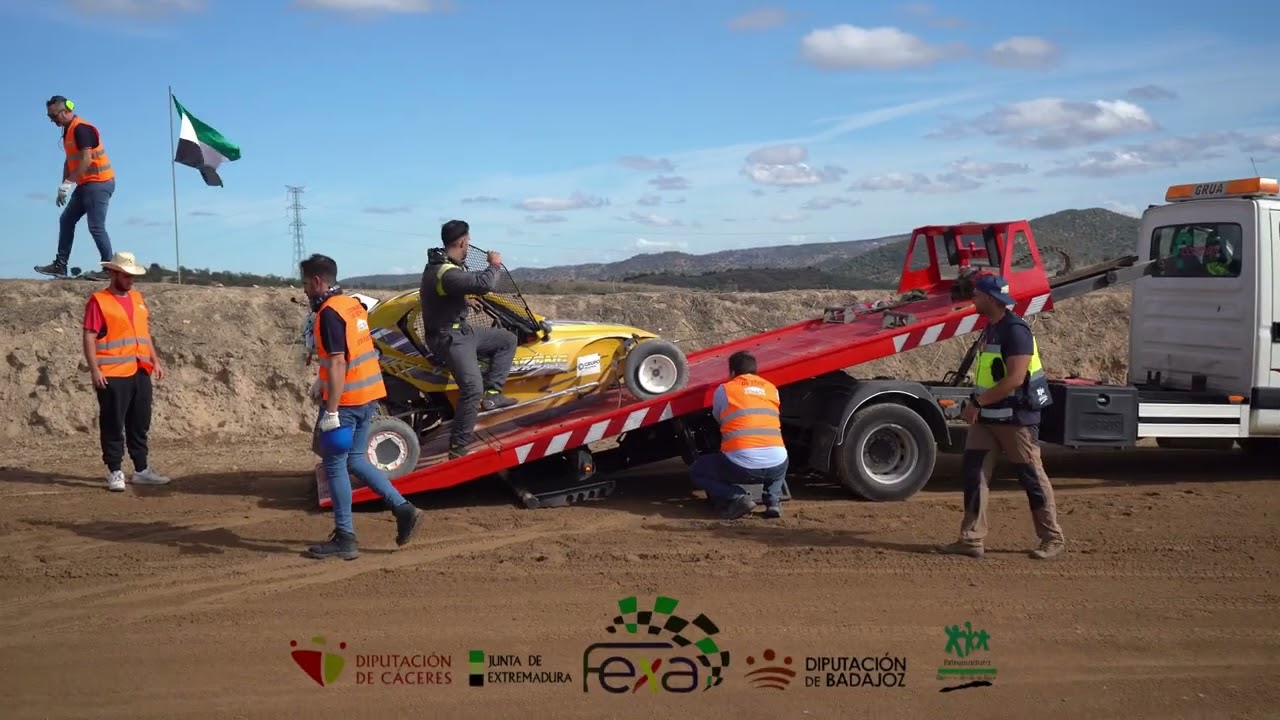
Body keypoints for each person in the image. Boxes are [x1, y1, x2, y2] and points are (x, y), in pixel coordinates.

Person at [937, 273, 1066, 560]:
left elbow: (1016, 378)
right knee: (973, 474)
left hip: (1016, 418)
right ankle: (971, 539)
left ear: (991, 299)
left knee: (1031, 476)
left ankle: (1052, 538)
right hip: (988, 417)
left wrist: (977, 403)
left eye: (977, 295)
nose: (973, 299)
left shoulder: (1015, 330)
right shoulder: (991, 328)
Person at [301, 253, 420, 560]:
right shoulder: (351, 304)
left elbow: (339, 362)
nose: (304, 291)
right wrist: (322, 379)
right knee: (355, 459)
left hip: (348, 403)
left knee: (336, 466)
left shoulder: (328, 312)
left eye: (305, 284)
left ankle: (345, 538)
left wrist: (331, 410)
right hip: (369, 395)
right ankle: (403, 508)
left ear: (317, 281)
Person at [420, 220, 518, 459]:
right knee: (472, 388)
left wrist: (464, 301)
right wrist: (494, 264)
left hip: (461, 330)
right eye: (469, 239)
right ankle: (458, 447)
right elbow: (485, 284)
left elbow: (440, 295)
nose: (470, 243)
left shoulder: (440, 266)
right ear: (463, 241)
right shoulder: (446, 272)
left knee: (506, 339)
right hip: (448, 338)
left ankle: (493, 395)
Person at [82, 251, 170, 491]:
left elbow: (144, 334)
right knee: (112, 423)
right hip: (112, 372)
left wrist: (156, 361)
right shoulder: (99, 300)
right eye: (126, 275)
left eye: (133, 275)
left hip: (141, 370)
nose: (131, 279)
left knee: (139, 423)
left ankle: (141, 470)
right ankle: (115, 471)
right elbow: (89, 336)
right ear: (112, 273)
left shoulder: (138, 299)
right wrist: (94, 370)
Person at [689, 351, 789, 520]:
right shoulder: (771, 389)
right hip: (777, 462)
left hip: (742, 466)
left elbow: (718, 417)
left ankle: (737, 497)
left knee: (698, 470)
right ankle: (773, 501)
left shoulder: (726, 389)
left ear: (733, 373)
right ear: (755, 371)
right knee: (780, 461)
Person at [36, 96, 114, 280]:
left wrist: (68, 183)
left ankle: (109, 269)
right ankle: (60, 266)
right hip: (85, 184)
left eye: (54, 116)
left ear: (65, 111)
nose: (52, 120)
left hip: (99, 183)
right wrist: (63, 185)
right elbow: (69, 161)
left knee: (96, 226)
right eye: (49, 117)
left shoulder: (82, 129)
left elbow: (86, 160)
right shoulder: (67, 131)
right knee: (66, 220)